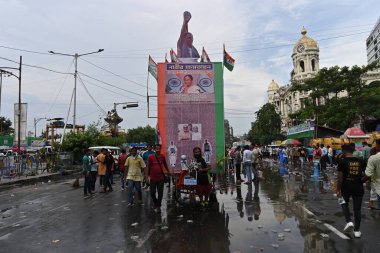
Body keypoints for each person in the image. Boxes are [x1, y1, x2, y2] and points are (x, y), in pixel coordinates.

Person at [336, 144, 366, 238]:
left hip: (346, 186)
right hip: (358, 187)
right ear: (353, 150)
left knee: (343, 203)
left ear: (344, 151)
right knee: (357, 209)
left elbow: (340, 178)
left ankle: (349, 221)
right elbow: (368, 174)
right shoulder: (361, 160)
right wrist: (361, 181)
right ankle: (357, 231)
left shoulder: (342, 161)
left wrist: (338, 190)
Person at [147, 144, 169, 212]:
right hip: (153, 178)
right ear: (154, 149)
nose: (158, 150)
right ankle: (155, 202)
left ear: (160, 149)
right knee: (152, 193)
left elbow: (165, 164)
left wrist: (168, 171)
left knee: (160, 193)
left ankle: (158, 206)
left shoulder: (162, 156)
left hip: (161, 178)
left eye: (159, 149)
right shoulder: (151, 157)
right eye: (156, 149)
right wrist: (147, 177)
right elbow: (148, 167)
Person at [365, 139, 380, 209]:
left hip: (375, 175)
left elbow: (367, 174)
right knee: (373, 189)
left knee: (374, 189)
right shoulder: (373, 150)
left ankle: (371, 203)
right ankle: (371, 203)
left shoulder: (373, 155)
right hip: (375, 175)